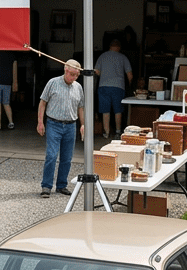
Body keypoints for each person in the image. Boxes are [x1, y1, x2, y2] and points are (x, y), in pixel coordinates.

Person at [36, 58, 85, 198]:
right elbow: (42, 103)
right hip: (54, 123)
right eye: (72, 74)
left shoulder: (78, 87)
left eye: (77, 75)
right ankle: (46, 186)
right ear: (65, 70)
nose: (74, 77)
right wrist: (40, 122)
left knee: (67, 158)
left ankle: (62, 185)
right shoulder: (53, 83)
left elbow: (80, 107)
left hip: (71, 125)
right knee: (51, 155)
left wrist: (83, 124)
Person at [94, 38, 133, 141]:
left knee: (105, 110)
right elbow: (130, 75)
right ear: (119, 47)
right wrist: (129, 85)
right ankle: (118, 131)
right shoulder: (123, 57)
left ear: (110, 47)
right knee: (118, 110)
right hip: (118, 87)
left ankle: (106, 133)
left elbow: (96, 71)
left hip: (103, 86)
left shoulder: (102, 56)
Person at [0, 51, 18, 130]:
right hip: (7, 83)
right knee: (6, 103)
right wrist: (15, 82)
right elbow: (14, 71)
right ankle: (11, 123)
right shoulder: (12, 55)